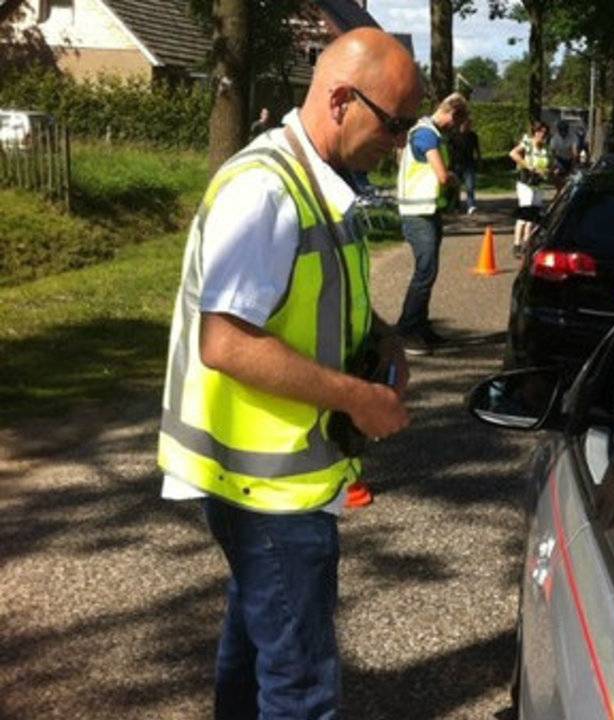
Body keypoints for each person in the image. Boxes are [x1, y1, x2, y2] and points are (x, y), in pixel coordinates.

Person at [157, 28, 420, 720]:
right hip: (266, 490)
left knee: (253, 647)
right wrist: (360, 398)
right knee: (301, 686)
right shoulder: (265, 192)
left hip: (275, 481)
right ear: (340, 100)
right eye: (395, 125)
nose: (400, 145)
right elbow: (227, 342)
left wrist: (385, 340)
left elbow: (322, 303)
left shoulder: (321, 184)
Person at [395, 92, 469, 355]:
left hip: (426, 211)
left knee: (429, 271)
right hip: (417, 213)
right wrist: (455, 180)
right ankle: (406, 331)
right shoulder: (426, 134)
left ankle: (421, 328)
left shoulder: (430, 133)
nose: (454, 128)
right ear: (452, 113)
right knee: (425, 271)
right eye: (456, 122)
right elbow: (440, 174)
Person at [509, 121, 551, 254]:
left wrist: (548, 171)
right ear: (535, 132)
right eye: (540, 132)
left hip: (538, 184)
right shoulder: (527, 143)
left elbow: (548, 164)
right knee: (525, 214)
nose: (542, 135)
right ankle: (517, 244)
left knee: (533, 216)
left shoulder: (545, 148)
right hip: (525, 183)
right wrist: (528, 165)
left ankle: (527, 244)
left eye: (545, 133)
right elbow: (513, 154)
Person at [451, 117, 481, 215]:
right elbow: (450, 150)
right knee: (456, 187)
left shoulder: (473, 136)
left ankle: (471, 205)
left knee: (470, 186)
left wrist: (479, 159)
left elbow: (477, 149)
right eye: (465, 124)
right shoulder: (454, 135)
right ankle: (456, 206)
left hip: (469, 164)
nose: (467, 126)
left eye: (469, 125)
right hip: (456, 164)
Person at [548, 119, 580, 188]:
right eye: (561, 131)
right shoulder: (554, 139)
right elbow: (552, 153)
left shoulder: (573, 137)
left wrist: (573, 166)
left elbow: (575, 152)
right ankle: (559, 188)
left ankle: (568, 188)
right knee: (557, 173)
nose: (563, 133)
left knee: (572, 175)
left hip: (571, 158)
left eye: (565, 130)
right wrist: (553, 165)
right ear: (558, 130)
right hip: (559, 159)